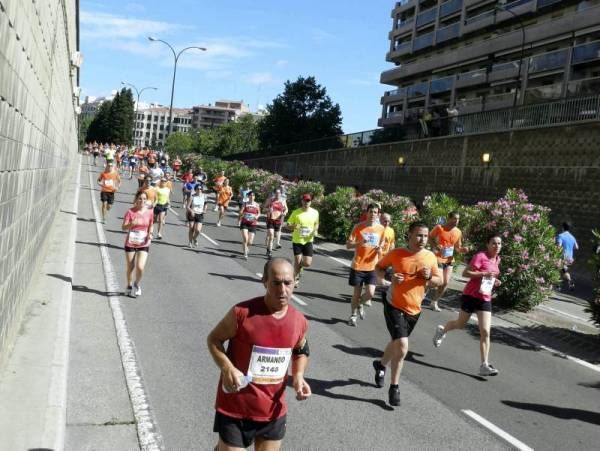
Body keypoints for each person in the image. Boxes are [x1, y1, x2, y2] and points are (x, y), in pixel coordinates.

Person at [207, 258, 311, 451]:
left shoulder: (299, 321)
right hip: (236, 408)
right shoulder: (242, 313)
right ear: (264, 281)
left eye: (287, 283)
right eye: (276, 283)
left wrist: (298, 376)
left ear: (295, 282)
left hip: (273, 411)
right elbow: (213, 339)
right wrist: (227, 367)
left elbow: (301, 349)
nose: (282, 290)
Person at [372, 221, 441, 406]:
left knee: (396, 343)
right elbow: (379, 268)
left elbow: (438, 280)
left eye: (426, 236)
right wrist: (387, 279)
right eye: (419, 235)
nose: (422, 239)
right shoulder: (397, 254)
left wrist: (429, 277)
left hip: (415, 309)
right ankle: (394, 387)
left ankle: (380, 365)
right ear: (409, 235)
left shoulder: (430, 257)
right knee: (402, 345)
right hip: (393, 304)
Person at [433, 233, 502, 376]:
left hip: (485, 298)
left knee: (485, 331)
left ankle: (484, 365)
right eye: (494, 243)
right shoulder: (480, 257)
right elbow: (466, 273)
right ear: (488, 245)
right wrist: (483, 274)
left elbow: (491, 276)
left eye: (499, 243)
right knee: (460, 324)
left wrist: (495, 281)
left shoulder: (497, 259)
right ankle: (443, 330)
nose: (497, 246)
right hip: (470, 296)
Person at [346, 204, 385, 326]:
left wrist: (380, 249)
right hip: (358, 265)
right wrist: (359, 243)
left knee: (370, 293)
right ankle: (353, 316)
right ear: (367, 213)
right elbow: (348, 245)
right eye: (371, 212)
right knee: (356, 294)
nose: (373, 214)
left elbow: (382, 244)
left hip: (372, 266)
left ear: (378, 215)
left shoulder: (381, 229)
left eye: (375, 212)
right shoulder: (359, 227)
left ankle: (360, 304)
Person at [428, 211, 468, 312]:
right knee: (439, 281)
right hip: (438, 258)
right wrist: (436, 246)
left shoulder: (458, 232)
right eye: (454, 218)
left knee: (445, 283)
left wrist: (462, 250)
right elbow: (429, 237)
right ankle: (423, 288)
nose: (456, 221)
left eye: (458, 219)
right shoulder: (439, 228)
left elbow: (458, 248)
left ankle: (434, 302)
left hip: (449, 259)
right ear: (449, 218)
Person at [121, 192, 154, 298]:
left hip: (143, 243)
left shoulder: (149, 212)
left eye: (144, 199)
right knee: (130, 267)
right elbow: (123, 227)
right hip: (131, 242)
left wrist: (150, 234)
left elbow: (151, 225)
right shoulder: (130, 212)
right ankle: (129, 285)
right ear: (136, 199)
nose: (142, 201)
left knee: (140, 267)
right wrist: (132, 224)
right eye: (140, 198)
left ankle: (137, 284)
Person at [286, 193, 319, 288]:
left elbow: (316, 223)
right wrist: (293, 226)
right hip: (297, 240)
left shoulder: (315, 212)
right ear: (302, 201)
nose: (306, 202)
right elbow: (287, 225)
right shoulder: (296, 212)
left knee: (307, 263)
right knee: (297, 261)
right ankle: (295, 279)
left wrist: (315, 230)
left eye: (308, 201)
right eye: (305, 200)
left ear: (311, 202)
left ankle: (300, 268)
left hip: (308, 240)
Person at [264, 188, 288, 258]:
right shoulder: (270, 200)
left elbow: (286, 209)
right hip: (270, 220)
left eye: (279, 193)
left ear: (281, 194)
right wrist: (268, 209)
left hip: (278, 221)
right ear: (274, 194)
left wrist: (285, 212)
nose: (278, 194)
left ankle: (268, 248)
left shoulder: (283, 201)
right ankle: (270, 252)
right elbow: (264, 208)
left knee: (275, 236)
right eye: (276, 193)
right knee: (271, 235)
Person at [556, 222, 579, 291]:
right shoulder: (572, 237)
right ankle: (566, 282)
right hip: (569, 258)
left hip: (562, 256)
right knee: (563, 270)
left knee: (558, 270)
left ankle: (559, 286)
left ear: (562, 227)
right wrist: (570, 248)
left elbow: (559, 246)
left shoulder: (561, 235)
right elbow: (577, 247)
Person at [238, 191, 261, 260]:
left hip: (253, 224)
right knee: (245, 238)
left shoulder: (257, 205)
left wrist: (256, 217)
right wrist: (242, 214)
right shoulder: (245, 204)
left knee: (250, 242)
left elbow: (259, 213)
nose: (252, 197)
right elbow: (240, 212)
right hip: (245, 223)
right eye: (250, 195)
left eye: (253, 195)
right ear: (248, 197)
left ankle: (246, 246)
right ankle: (245, 254)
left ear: (254, 197)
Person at [186, 183, 208, 248]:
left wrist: (205, 210)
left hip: (200, 214)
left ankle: (194, 238)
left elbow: (206, 204)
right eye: (198, 189)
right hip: (192, 214)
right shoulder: (192, 197)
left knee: (198, 230)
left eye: (200, 189)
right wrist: (191, 211)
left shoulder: (204, 196)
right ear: (195, 189)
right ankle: (190, 242)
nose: (199, 190)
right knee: (191, 228)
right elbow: (187, 207)